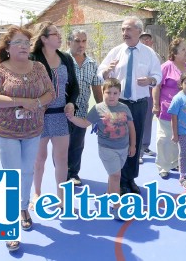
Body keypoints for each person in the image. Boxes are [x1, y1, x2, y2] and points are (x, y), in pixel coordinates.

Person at [0, 25, 55, 251]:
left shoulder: (39, 67)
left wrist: (38, 103)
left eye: (27, 42)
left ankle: (23, 207)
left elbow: (50, 93)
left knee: (27, 171)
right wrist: (22, 102)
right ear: (8, 48)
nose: (24, 46)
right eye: (19, 43)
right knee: (10, 175)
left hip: (33, 129)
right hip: (7, 131)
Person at [98, 16, 161, 195]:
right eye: (123, 29)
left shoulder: (149, 54)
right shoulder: (116, 51)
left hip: (140, 104)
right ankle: (120, 182)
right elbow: (100, 71)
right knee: (120, 143)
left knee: (136, 141)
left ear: (139, 32)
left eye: (129, 29)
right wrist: (106, 71)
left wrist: (150, 79)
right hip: (119, 105)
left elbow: (158, 75)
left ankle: (130, 178)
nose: (125, 33)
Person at [66, 78, 136, 219]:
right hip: (107, 148)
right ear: (102, 92)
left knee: (114, 174)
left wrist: (133, 145)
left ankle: (110, 195)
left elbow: (131, 128)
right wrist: (73, 119)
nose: (111, 96)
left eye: (115, 93)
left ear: (119, 93)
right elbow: (85, 122)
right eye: (108, 92)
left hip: (123, 148)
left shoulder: (124, 108)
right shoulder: (98, 109)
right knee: (116, 176)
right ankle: (117, 208)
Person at [30, 22, 79, 206]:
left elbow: (74, 86)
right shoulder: (32, 58)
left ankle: (62, 198)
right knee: (39, 159)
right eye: (55, 34)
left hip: (60, 116)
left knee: (62, 159)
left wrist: (71, 103)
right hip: (39, 117)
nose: (59, 37)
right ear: (43, 38)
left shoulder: (65, 58)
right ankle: (37, 194)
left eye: (59, 34)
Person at [66, 29, 103, 186]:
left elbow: (96, 89)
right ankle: (62, 174)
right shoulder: (61, 60)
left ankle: (73, 174)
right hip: (61, 112)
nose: (81, 44)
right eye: (77, 40)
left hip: (81, 113)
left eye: (84, 41)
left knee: (77, 145)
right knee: (61, 146)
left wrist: (101, 112)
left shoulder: (92, 64)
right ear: (69, 42)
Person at [152, 38, 186, 179]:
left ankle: (176, 162)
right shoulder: (165, 67)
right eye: (183, 49)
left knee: (179, 139)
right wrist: (155, 105)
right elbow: (156, 86)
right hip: (166, 109)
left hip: (184, 112)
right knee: (164, 139)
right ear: (174, 53)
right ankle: (163, 166)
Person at [138, 30, 160, 164]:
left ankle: (145, 147)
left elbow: (159, 76)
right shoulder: (136, 55)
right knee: (139, 122)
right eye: (143, 39)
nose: (146, 41)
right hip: (140, 94)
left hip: (152, 93)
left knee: (148, 122)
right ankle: (138, 151)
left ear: (152, 42)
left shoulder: (156, 55)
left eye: (148, 39)